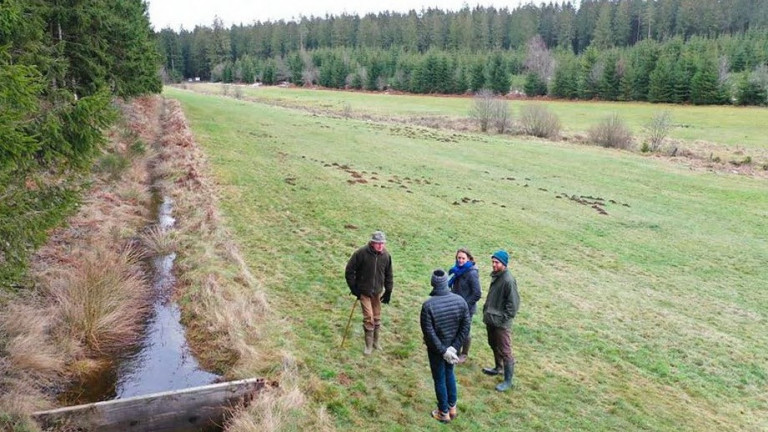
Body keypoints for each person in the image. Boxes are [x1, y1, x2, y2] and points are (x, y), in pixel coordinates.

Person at [420, 269, 470, 423]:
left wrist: (443, 351)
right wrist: (454, 347)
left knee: (440, 379)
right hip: (452, 348)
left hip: (437, 351)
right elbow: (466, 326)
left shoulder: (428, 305)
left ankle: (443, 413)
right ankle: (452, 408)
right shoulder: (460, 301)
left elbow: (429, 333)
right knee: (449, 374)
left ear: (433, 284)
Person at [345, 230, 394, 355]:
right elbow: (349, 271)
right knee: (369, 318)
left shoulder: (386, 256)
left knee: (377, 318)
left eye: (382, 243)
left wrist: (388, 291)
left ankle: (376, 342)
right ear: (372, 242)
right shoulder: (361, 253)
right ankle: (368, 347)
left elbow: (389, 275)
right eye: (378, 243)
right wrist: (354, 289)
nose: (380, 246)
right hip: (364, 292)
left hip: (377, 292)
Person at [481, 249, 520, 392]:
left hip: (501, 324)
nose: (493, 265)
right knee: (493, 344)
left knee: (505, 351)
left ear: (504, 264)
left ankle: (508, 381)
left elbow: (513, 306)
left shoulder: (508, 280)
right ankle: (498, 367)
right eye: (493, 262)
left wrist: (501, 320)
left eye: (496, 262)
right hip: (492, 319)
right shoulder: (497, 276)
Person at [448, 248, 482, 363]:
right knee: (456, 329)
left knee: (465, 331)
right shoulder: (458, 270)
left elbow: (477, 293)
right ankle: (455, 350)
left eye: (463, 258)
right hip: (456, 305)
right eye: (459, 258)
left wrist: (465, 306)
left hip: (467, 308)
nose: (460, 260)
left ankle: (464, 354)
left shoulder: (472, 273)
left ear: (468, 259)